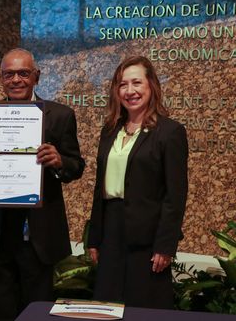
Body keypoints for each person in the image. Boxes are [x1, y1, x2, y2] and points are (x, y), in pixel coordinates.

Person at [0, 48, 85, 320]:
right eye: (9, 74)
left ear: (36, 77)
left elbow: (76, 167)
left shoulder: (60, 115)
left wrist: (58, 161)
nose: (16, 80)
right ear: (1, 78)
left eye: (23, 73)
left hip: (38, 236)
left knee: (36, 313)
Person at [87, 56, 188, 309]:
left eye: (136, 83)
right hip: (111, 232)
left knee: (144, 307)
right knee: (107, 306)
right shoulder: (110, 130)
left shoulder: (170, 132)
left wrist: (165, 245)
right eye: (122, 84)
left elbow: (175, 196)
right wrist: (95, 238)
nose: (129, 91)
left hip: (148, 240)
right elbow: (100, 188)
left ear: (151, 85)